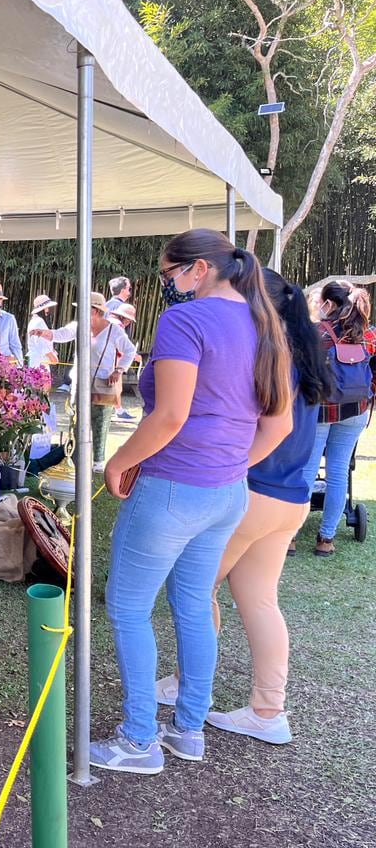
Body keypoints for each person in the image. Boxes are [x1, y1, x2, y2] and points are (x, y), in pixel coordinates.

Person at [91, 228, 293, 776]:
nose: (167, 283)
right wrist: (229, 466)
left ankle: (138, 739)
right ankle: (188, 729)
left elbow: (171, 415)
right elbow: (279, 425)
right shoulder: (266, 324)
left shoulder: (185, 320)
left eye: (168, 273)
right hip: (228, 494)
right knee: (194, 606)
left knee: (129, 608)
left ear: (198, 269)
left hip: (173, 488)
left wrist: (117, 461)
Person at [155, 269, 332, 745]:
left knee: (194, 591)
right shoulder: (302, 355)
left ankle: (187, 685)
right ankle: (268, 711)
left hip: (253, 494)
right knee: (259, 601)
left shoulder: (268, 356)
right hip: (291, 499)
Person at [300, 281, 376, 556]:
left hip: (320, 410)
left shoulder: (315, 333)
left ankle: (291, 535)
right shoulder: (369, 334)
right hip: (356, 410)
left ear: (329, 304)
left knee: (307, 470)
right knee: (339, 472)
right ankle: (326, 539)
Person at [48, 293, 136, 470]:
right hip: (79, 382)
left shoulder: (114, 330)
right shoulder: (79, 326)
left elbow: (130, 350)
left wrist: (119, 370)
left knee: (100, 422)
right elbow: (62, 334)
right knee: (76, 420)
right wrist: (46, 333)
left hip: (103, 383)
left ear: (95, 311)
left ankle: (98, 462)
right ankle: (74, 458)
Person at [108, 303, 141, 421]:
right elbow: (122, 347)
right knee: (115, 387)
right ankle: (117, 411)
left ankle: (118, 410)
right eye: (129, 319)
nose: (129, 322)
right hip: (111, 361)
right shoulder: (117, 326)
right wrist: (134, 356)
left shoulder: (108, 322)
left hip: (108, 360)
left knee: (114, 387)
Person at [26, 294, 60, 369]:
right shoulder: (39, 321)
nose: (49, 310)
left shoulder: (34, 321)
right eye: (48, 307)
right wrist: (52, 357)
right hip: (39, 362)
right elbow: (41, 343)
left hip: (35, 360)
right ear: (44, 308)